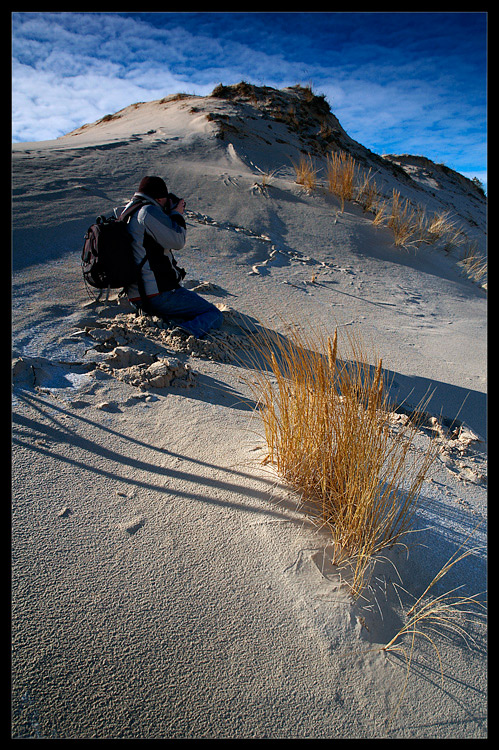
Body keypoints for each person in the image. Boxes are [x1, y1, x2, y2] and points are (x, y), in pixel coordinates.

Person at [122, 175, 223, 338]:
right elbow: (178, 241)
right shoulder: (148, 212)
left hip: (136, 295)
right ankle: (186, 332)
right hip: (158, 294)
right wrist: (176, 214)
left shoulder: (128, 210)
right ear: (160, 199)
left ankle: (173, 319)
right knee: (213, 313)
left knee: (183, 310)